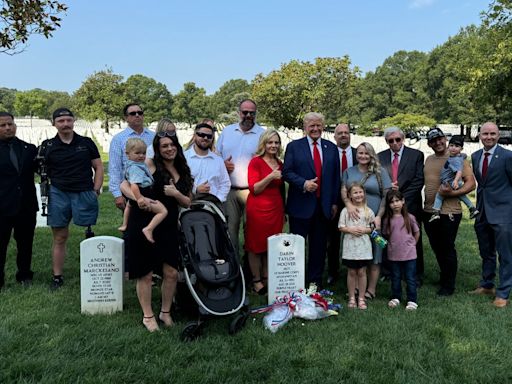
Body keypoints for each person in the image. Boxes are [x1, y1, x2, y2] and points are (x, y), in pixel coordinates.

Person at [122, 132, 193, 331]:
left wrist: (176, 193)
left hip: (168, 225)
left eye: (172, 145)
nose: (169, 149)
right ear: (158, 149)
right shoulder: (149, 164)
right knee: (145, 272)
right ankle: (147, 316)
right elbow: (124, 184)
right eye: (164, 146)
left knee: (171, 272)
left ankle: (165, 312)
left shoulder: (183, 170)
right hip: (143, 221)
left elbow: (188, 202)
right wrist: (139, 200)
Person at [41, 108, 104, 290]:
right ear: (54, 123)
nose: (65, 124)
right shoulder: (47, 146)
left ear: (74, 121)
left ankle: (94, 270)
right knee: (60, 236)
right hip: (59, 192)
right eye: (61, 121)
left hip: (84, 191)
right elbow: (40, 170)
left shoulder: (86, 143)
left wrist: (96, 188)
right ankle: (57, 276)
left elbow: (98, 167)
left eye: (69, 120)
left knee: (89, 233)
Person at [283, 112, 340, 288]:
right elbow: (287, 172)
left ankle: (315, 282)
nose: (315, 129)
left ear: (323, 126)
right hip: (300, 205)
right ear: (305, 127)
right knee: (298, 246)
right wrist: (303, 183)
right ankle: (297, 281)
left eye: (318, 125)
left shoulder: (331, 148)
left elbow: (335, 178)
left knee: (319, 247)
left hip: (323, 207)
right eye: (311, 125)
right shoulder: (294, 147)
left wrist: (334, 202)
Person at [423, 127, 475, 296]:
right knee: (437, 247)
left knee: (447, 247)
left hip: (450, 212)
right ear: (429, 143)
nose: (437, 143)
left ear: (445, 139)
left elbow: (470, 184)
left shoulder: (457, 157)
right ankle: (444, 276)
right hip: (430, 211)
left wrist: (452, 193)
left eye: (440, 139)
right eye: (433, 141)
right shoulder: (429, 160)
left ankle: (448, 285)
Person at [342, 142, 391, 299]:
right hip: (354, 218)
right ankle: (355, 287)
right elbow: (344, 191)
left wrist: (379, 216)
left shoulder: (380, 172)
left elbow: (386, 195)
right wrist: (348, 205)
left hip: (373, 217)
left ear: (371, 155)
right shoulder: (349, 171)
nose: (363, 156)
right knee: (356, 248)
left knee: (375, 251)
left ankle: (371, 289)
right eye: (360, 153)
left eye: (366, 153)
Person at [470, 122, 512, 308]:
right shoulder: (476, 155)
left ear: (498, 135)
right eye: (485, 133)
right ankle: (487, 284)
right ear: (479, 135)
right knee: (486, 252)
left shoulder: (507, 156)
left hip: (503, 213)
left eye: (492, 134)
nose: (489, 137)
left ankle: (503, 292)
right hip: (482, 212)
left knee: (505, 255)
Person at [217, 99, 264, 258]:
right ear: (239, 113)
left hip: (253, 192)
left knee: (252, 233)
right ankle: (235, 272)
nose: (248, 115)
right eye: (245, 112)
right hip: (230, 191)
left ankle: (252, 273)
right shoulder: (227, 132)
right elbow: (216, 156)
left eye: (252, 113)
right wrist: (222, 164)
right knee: (230, 232)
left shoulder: (262, 134)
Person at [378, 126, 424, 284]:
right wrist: (391, 200)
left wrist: (400, 199)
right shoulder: (380, 157)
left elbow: (419, 180)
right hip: (389, 205)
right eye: (391, 140)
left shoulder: (416, 155)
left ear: (403, 138)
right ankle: (389, 271)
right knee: (390, 236)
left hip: (410, 203)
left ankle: (415, 273)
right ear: (386, 142)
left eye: (398, 139)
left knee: (412, 237)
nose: (395, 143)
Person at [0, 112, 38, 289]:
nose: (8, 128)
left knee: (25, 243)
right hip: (2, 206)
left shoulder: (29, 149)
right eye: (2, 125)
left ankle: (24, 275)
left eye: (10, 124)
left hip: (26, 205)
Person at [245, 129, 285, 295]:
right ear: (264, 144)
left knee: (271, 245)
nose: (273, 146)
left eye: (276, 142)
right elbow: (254, 189)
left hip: (276, 208)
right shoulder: (255, 162)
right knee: (255, 246)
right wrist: (270, 176)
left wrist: (285, 210)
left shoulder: (281, 164)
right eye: (270, 142)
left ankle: (268, 277)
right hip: (257, 208)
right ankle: (256, 280)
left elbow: (283, 189)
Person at [118, 138, 168, 243]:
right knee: (163, 211)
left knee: (129, 205)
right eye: (137, 153)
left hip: (138, 193)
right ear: (128, 154)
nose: (141, 156)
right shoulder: (136, 168)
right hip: (143, 192)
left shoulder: (132, 164)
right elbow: (134, 185)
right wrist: (140, 198)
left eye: (143, 153)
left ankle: (125, 224)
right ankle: (149, 229)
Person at [326, 123, 357, 285]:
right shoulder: (329, 153)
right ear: (334, 136)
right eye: (340, 133)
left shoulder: (359, 153)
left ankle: (358, 269)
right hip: (334, 201)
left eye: (346, 132)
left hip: (356, 200)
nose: (343, 135)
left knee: (358, 234)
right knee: (333, 238)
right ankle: (333, 271)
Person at [109, 104, 155, 211]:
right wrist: (117, 194)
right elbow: (114, 167)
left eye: (140, 113)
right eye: (133, 113)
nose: (137, 115)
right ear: (126, 118)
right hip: (130, 188)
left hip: (151, 186)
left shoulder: (153, 136)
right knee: (134, 224)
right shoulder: (118, 139)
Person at [382, 190, 420, 311]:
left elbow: (417, 232)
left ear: (403, 201)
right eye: (392, 202)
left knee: (410, 278)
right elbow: (386, 235)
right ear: (388, 205)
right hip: (394, 254)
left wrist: (413, 243)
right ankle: (396, 297)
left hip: (409, 254)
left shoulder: (410, 217)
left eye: (397, 201)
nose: (395, 204)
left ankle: (412, 300)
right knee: (395, 277)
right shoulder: (388, 220)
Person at [339, 183, 374, 310]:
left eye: (360, 192)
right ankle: (352, 297)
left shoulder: (368, 211)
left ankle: (362, 298)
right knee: (352, 272)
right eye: (355, 193)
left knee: (362, 272)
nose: (358, 195)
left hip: (364, 247)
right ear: (349, 195)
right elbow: (341, 226)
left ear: (364, 193)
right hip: (350, 247)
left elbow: (372, 228)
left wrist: (365, 230)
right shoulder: (345, 211)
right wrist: (350, 230)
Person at [429, 135, 478, 222]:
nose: (453, 148)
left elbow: (459, 171)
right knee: (461, 195)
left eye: (457, 146)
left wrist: (455, 181)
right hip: (452, 181)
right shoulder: (459, 156)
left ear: (461, 148)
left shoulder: (454, 160)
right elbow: (463, 155)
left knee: (439, 195)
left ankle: (436, 212)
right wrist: (463, 155)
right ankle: (472, 208)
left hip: (450, 182)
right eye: (451, 145)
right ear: (448, 146)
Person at [184, 123, 230, 202]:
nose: (205, 138)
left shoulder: (218, 160)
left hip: (213, 207)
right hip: (189, 205)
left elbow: (225, 183)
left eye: (209, 136)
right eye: (201, 135)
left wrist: (217, 199)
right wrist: (195, 190)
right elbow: (179, 182)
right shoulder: (184, 158)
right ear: (195, 135)